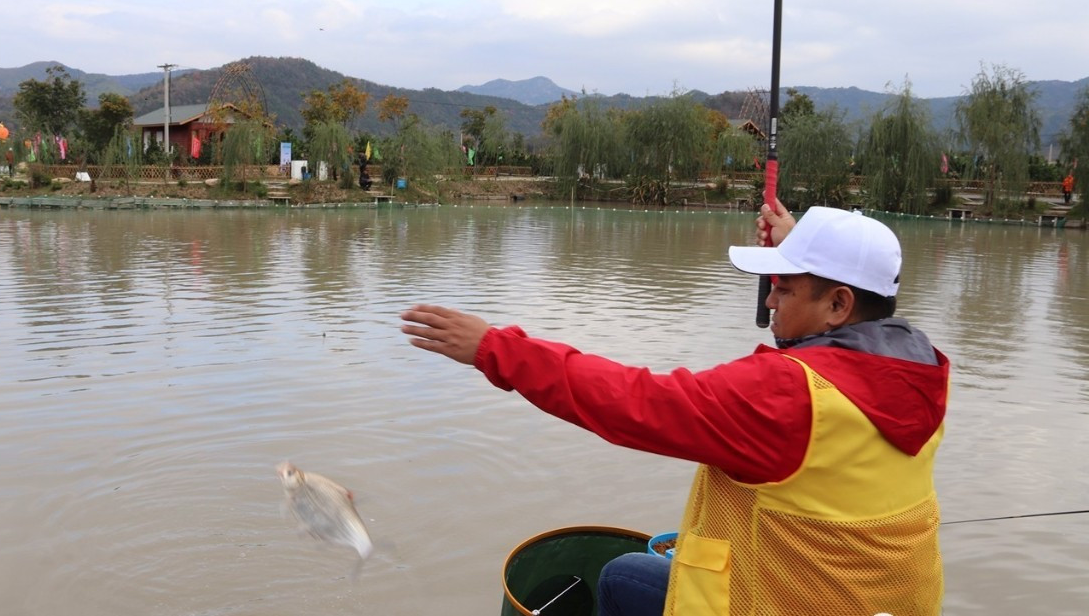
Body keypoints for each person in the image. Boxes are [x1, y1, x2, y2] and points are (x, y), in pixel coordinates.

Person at [400, 202, 950, 616]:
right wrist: (798, 246)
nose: (768, 301)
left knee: (618, 578)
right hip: (879, 602)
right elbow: (845, 325)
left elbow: (633, 403)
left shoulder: (788, 396)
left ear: (837, 304)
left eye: (783, 287)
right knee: (635, 573)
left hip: (782, 605)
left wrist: (498, 350)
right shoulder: (916, 368)